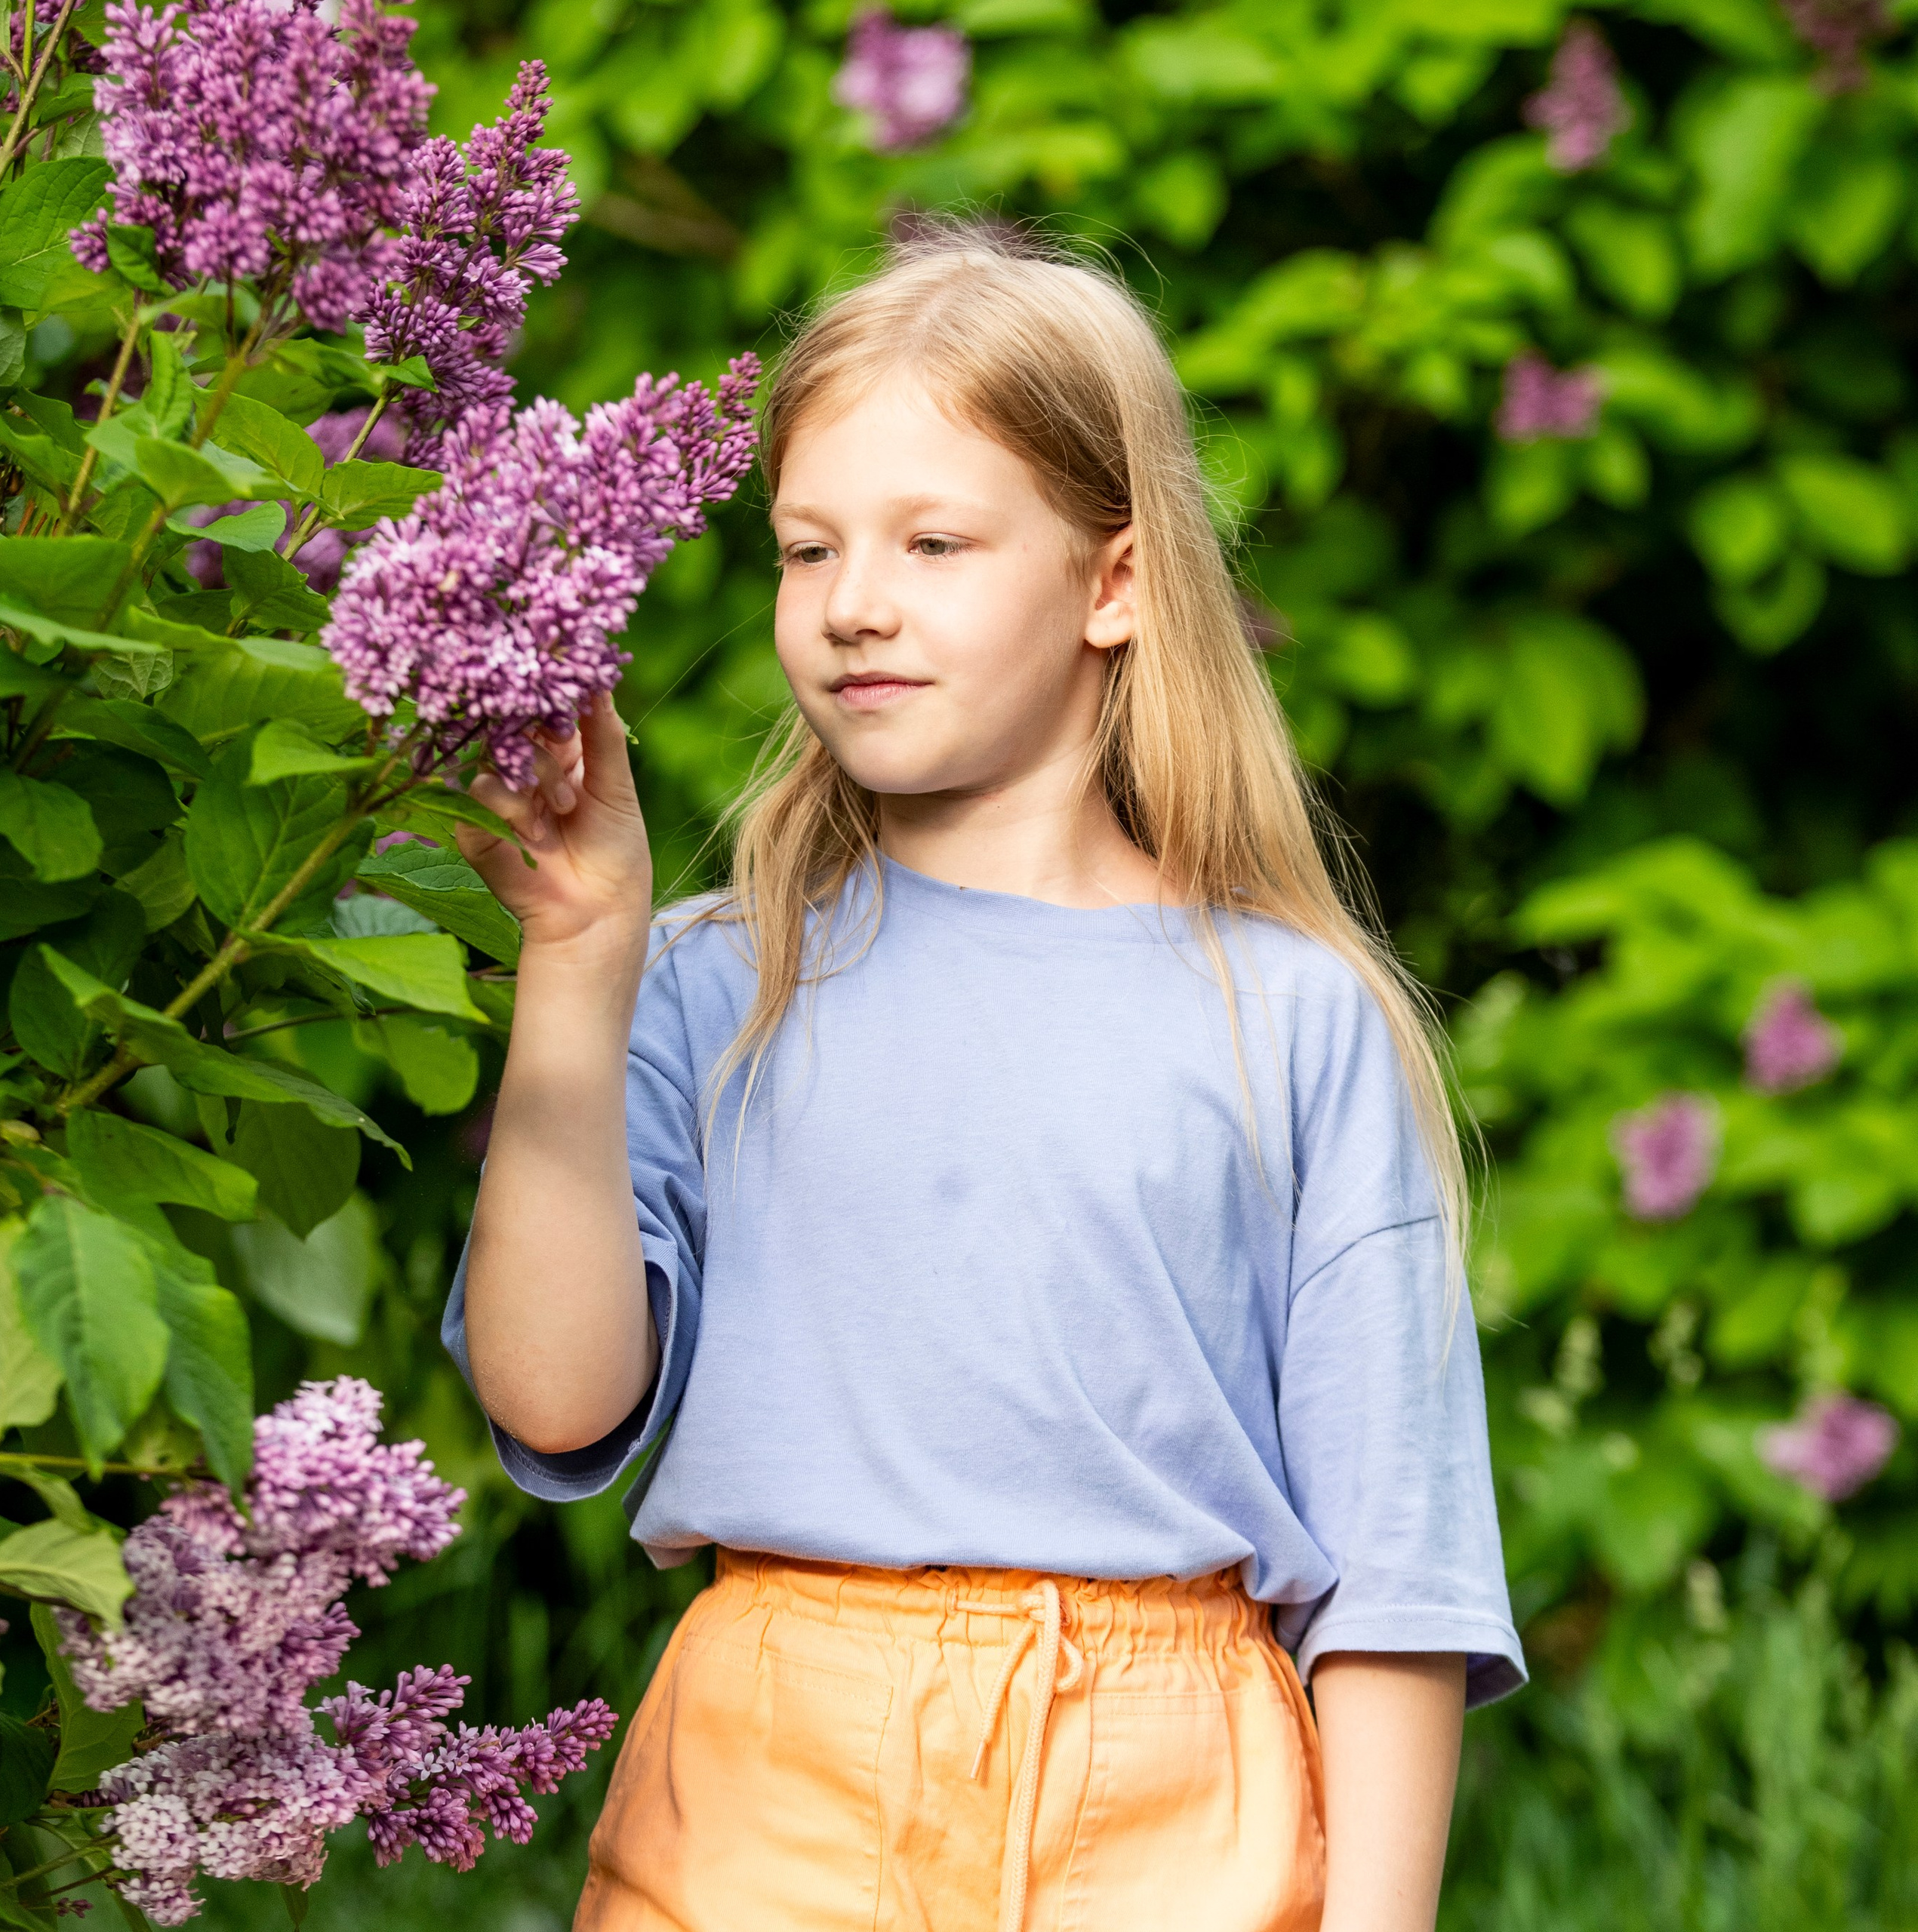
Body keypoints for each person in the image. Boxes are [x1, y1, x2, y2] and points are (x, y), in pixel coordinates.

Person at [445, 225, 1524, 1932]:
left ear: (1112, 584)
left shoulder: (1293, 1015)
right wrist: (578, 968)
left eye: (932, 541)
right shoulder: (710, 971)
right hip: (766, 1787)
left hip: (1181, 1808)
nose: (852, 601)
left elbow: (1394, 1567)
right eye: (807, 549)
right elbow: (552, 1396)